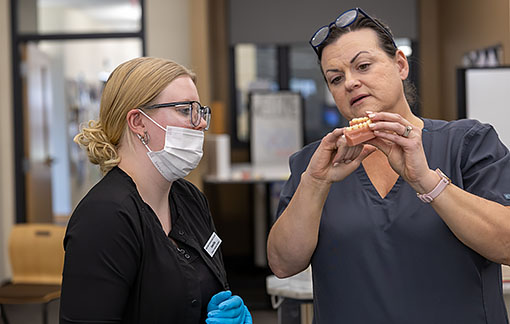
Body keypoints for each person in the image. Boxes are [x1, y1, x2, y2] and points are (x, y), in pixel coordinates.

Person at [267, 7, 510, 324]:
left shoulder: (467, 143)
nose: (351, 83)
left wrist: (426, 182)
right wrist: (314, 183)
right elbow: (283, 264)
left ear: (400, 64)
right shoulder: (315, 164)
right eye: (336, 79)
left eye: (363, 66)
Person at [60, 57, 252, 324]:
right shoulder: (104, 218)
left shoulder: (190, 199)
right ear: (138, 122)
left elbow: (206, 290)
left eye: (199, 111)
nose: (200, 124)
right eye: (185, 110)